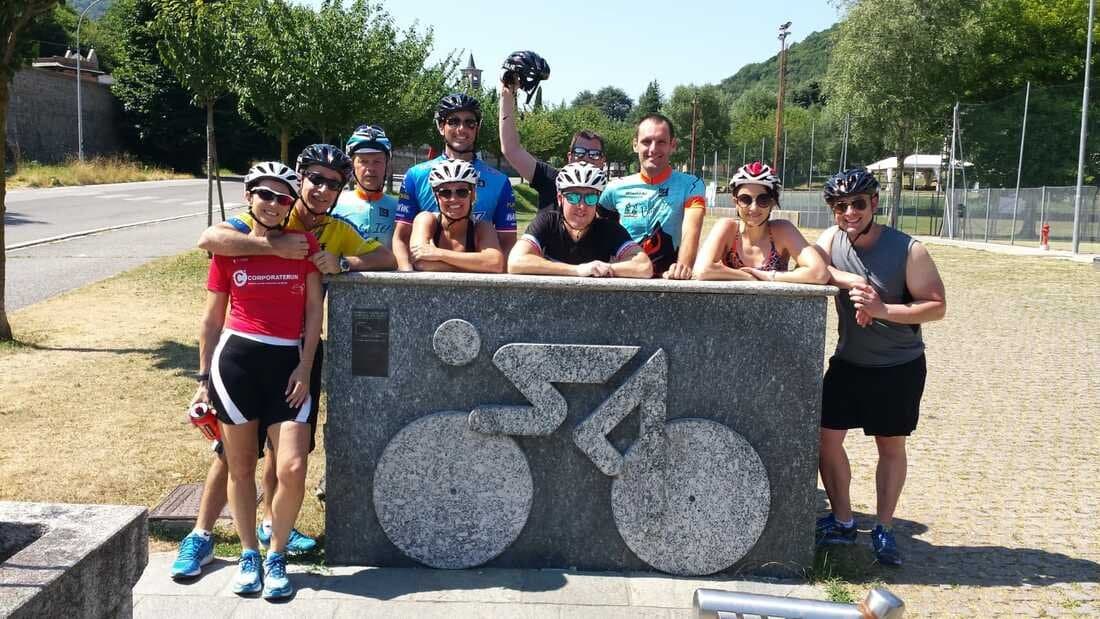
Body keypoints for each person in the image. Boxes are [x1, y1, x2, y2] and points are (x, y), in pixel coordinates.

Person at [172, 146, 392, 582]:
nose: (323, 189)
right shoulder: (277, 207)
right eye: (315, 178)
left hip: (297, 350)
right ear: (299, 180)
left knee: (286, 455)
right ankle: (200, 534)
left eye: (333, 182)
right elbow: (210, 239)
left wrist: (343, 262)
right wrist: (268, 243)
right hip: (247, 351)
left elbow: (388, 257)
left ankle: (275, 528)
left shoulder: (333, 229)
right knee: (234, 453)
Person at [195, 161, 322, 599]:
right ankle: (249, 553)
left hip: (287, 364)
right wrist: (201, 376)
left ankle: (277, 554)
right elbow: (212, 319)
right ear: (249, 197)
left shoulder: (303, 243)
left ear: (292, 204)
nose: (272, 203)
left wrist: (305, 366)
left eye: (282, 197)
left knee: (292, 466)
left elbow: (312, 312)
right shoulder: (231, 247)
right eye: (264, 194)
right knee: (242, 466)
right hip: (236, 364)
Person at [812, 168, 946, 567]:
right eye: (840, 206)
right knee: (824, 438)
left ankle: (884, 527)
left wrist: (883, 309)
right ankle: (843, 519)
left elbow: (937, 305)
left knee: (890, 446)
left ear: (874, 203)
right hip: (849, 361)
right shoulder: (833, 240)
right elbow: (813, 266)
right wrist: (848, 278)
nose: (849, 212)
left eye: (857, 204)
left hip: (897, 366)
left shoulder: (909, 250)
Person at [393, 93, 517, 271]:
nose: (462, 129)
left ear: (477, 127)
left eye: (470, 123)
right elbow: (402, 238)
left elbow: (506, 246)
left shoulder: (499, 181)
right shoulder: (415, 175)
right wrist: (408, 280)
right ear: (440, 126)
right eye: (453, 121)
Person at [497, 50, 608, 212]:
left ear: (603, 160)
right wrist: (507, 91)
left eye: (594, 154)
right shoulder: (552, 180)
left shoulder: (612, 197)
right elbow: (511, 149)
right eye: (580, 151)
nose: (585, 158)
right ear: (569, 157)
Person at [599, 113, 705, 279]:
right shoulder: (614, 188)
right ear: (635, 145)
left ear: (673, 145)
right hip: (625, 281)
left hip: (671, 280)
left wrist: (682, 268)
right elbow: (599, 233)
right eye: (646, 141)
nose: (653, 149)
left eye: (661, 142)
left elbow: (692, 228)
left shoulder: (691, 185)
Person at [509, 162, 651, 278]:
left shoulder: (609, 229)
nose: (582, 206)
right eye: (573, 197)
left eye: (590, 198)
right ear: (560, 199)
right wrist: (577, 270)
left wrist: (601, 268)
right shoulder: (547, 222)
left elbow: (644, 266)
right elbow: (515, 262)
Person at [694, 161, 827, 284]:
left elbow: (820, 273)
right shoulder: (727, 228)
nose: (753, 208)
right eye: (745, 199)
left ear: (773, 203)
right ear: (735, 202)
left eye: (763, 200)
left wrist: (770, 276)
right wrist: (749, 276)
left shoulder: (783, 230)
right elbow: (701, 270)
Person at [408, 159, 505, 273]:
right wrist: (476, 266)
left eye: (462, 192)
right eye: (445, 193)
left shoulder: (483, 228)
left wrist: (439, 254)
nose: (453, 199)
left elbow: (495, 263)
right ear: (436, 197)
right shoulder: (425, 219)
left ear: (473, 195)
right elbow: (420, 262)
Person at [333, 124, 399, 247]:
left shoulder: (399, 208)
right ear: (351, 165)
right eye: (363, 161)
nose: (370, 168)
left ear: (387, 165)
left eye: (377, 161)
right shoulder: (334, 204)